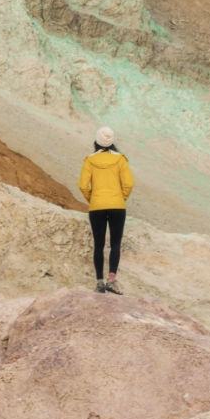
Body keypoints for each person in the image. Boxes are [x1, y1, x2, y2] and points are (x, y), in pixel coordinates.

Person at [79, 126, 134, 294]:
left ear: (96, 141)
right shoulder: (120, 160)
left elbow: (82, 185)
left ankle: (99, 283)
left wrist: (93, 199)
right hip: (118, 206)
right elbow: (129, 184)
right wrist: (120, 198)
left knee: (99, 244)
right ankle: (112, 280)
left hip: (97, 207)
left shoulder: (90, 160)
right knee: (115, 244)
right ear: (112, 142)